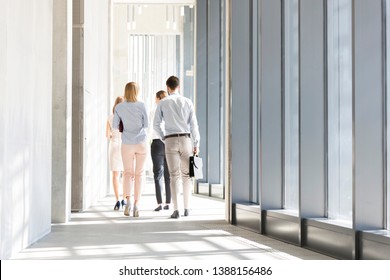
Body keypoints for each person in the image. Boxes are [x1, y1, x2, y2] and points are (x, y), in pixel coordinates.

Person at [153, 76, 200, 219]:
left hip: (170, 140)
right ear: (179, 87)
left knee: (174, 176)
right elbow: (194, 125)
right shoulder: (187, 102)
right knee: (187, 176)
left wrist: (164, 137)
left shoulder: (163, 102)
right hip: (186, 139)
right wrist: (196, 143)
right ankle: (187, 208)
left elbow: (156, 124)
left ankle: (176, 210)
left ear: (167, 87)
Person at [113, 82, 149, 217]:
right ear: (137, 91)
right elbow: (146, 125)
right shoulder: (142, 105)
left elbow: (115, 126)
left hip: (127, 143)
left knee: (128, 174)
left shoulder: (119, 107)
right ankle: (136, 205)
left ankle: (127, 203)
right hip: (141, 142)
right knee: (139, 174)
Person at [149, 90, 171, 211]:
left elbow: (151, 127)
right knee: (168, 175)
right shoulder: (170, 111)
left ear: (158, 98)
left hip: (157, 142)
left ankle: (160, 203)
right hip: (168, 142)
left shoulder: (154, 111)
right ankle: (168, 202)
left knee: (158, 174)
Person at [106, 96, 126, 210]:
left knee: (115, 175)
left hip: (114, 145)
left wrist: (113, 135)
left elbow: (107, 135)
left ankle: (117, 200)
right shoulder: (125, 118)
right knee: (125, 174)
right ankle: (124, 198)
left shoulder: (109, 117)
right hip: (124, 145)